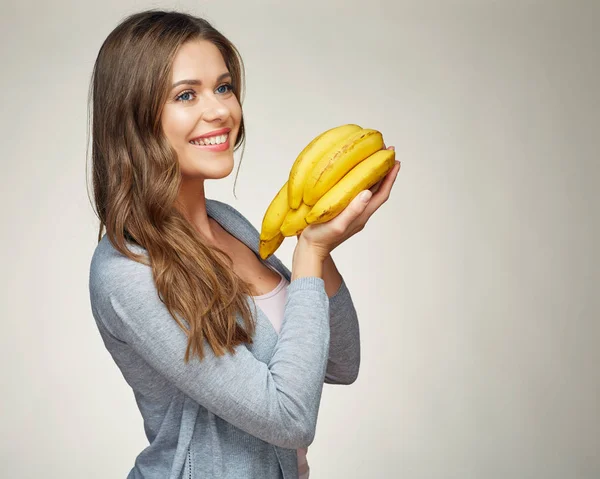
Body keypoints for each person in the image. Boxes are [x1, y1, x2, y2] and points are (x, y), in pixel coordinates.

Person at [87, 9, 401, 479]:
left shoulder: (227, 223)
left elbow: (340, 361)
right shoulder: (129, 270)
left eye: (224, 87)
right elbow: (288, 418)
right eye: (186, 95)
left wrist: (320, 247)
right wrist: (309, 256)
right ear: (135, 116)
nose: (220, 110)